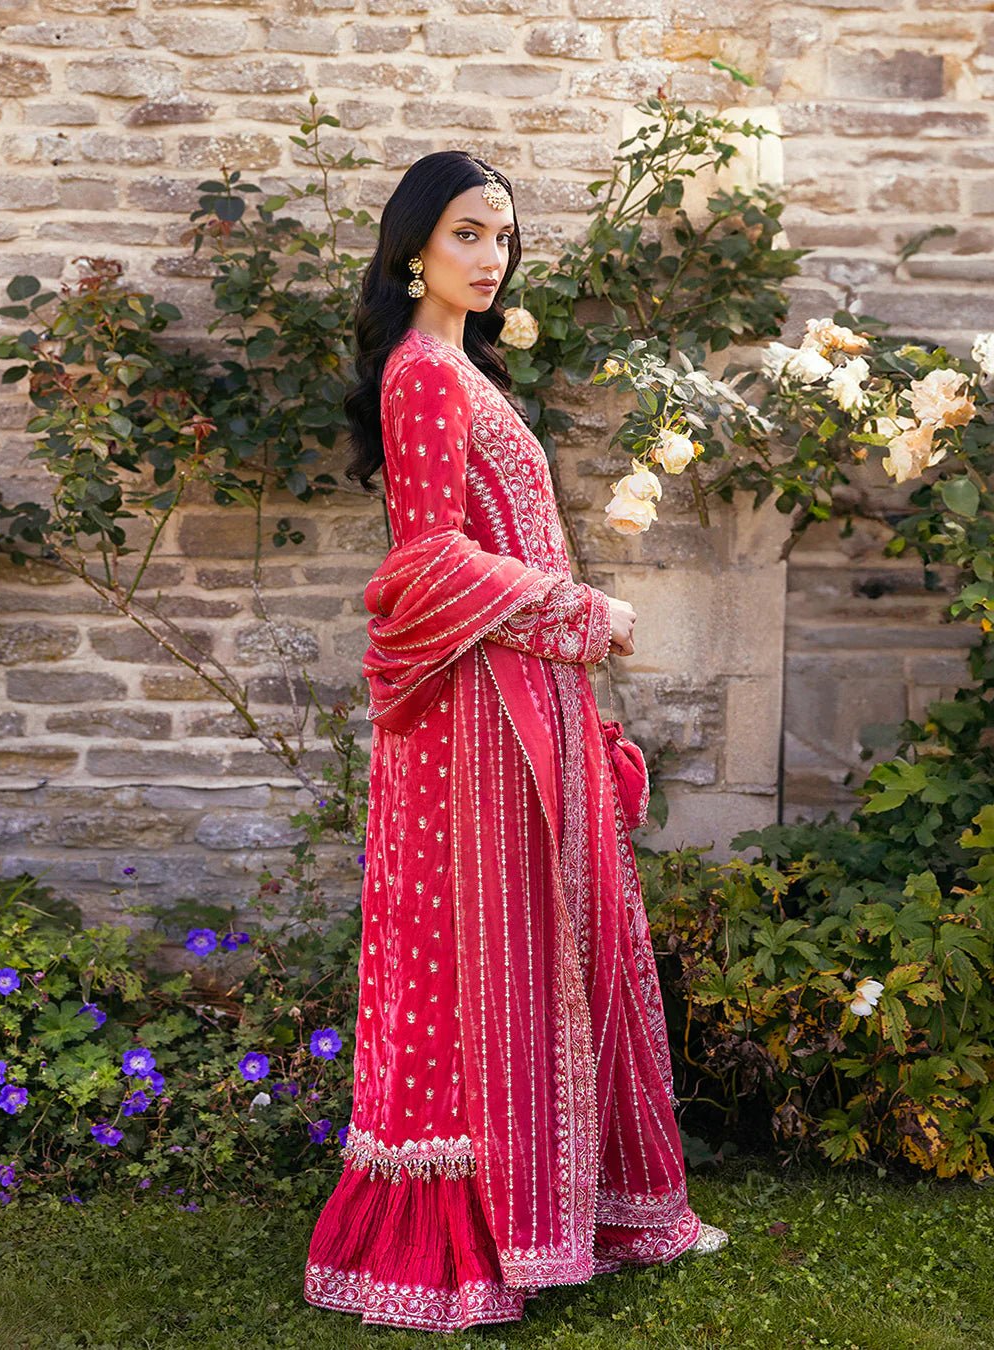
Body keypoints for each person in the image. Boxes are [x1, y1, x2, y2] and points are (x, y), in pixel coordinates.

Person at [303, 151, 728, 1333]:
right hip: (480, 709)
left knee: (546, 943)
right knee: (489, 951)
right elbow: (428, 561)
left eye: (501, 238)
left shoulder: (461, 370)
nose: (489, 258)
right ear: (412, 249)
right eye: (466, 235)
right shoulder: (424, 376)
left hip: (526, 691)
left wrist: (576, 670)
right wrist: (588, 615)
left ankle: (566, 1206)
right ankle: (478, 1227)